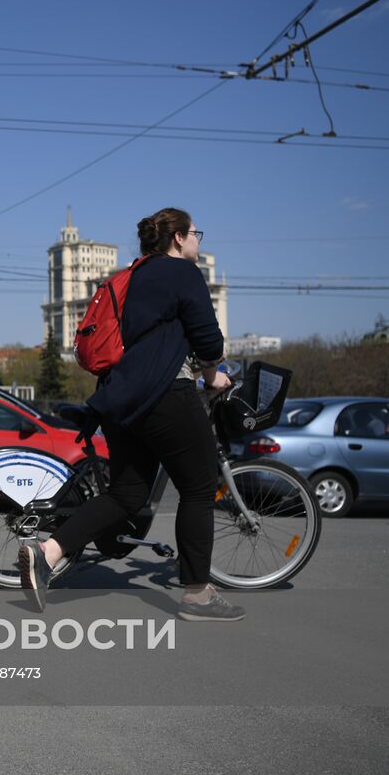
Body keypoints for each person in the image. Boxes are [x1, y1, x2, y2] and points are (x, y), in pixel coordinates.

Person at [19, 208, 243, 622]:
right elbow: (208, 339)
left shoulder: (132, 276)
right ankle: (197, 594)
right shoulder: (183, 274)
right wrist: (214, 376)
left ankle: (47, 553)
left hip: (119, 397)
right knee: (198, 487)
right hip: (165, 393)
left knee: (126, 495)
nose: (199, 241)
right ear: (177, 238)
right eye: (196, 234)